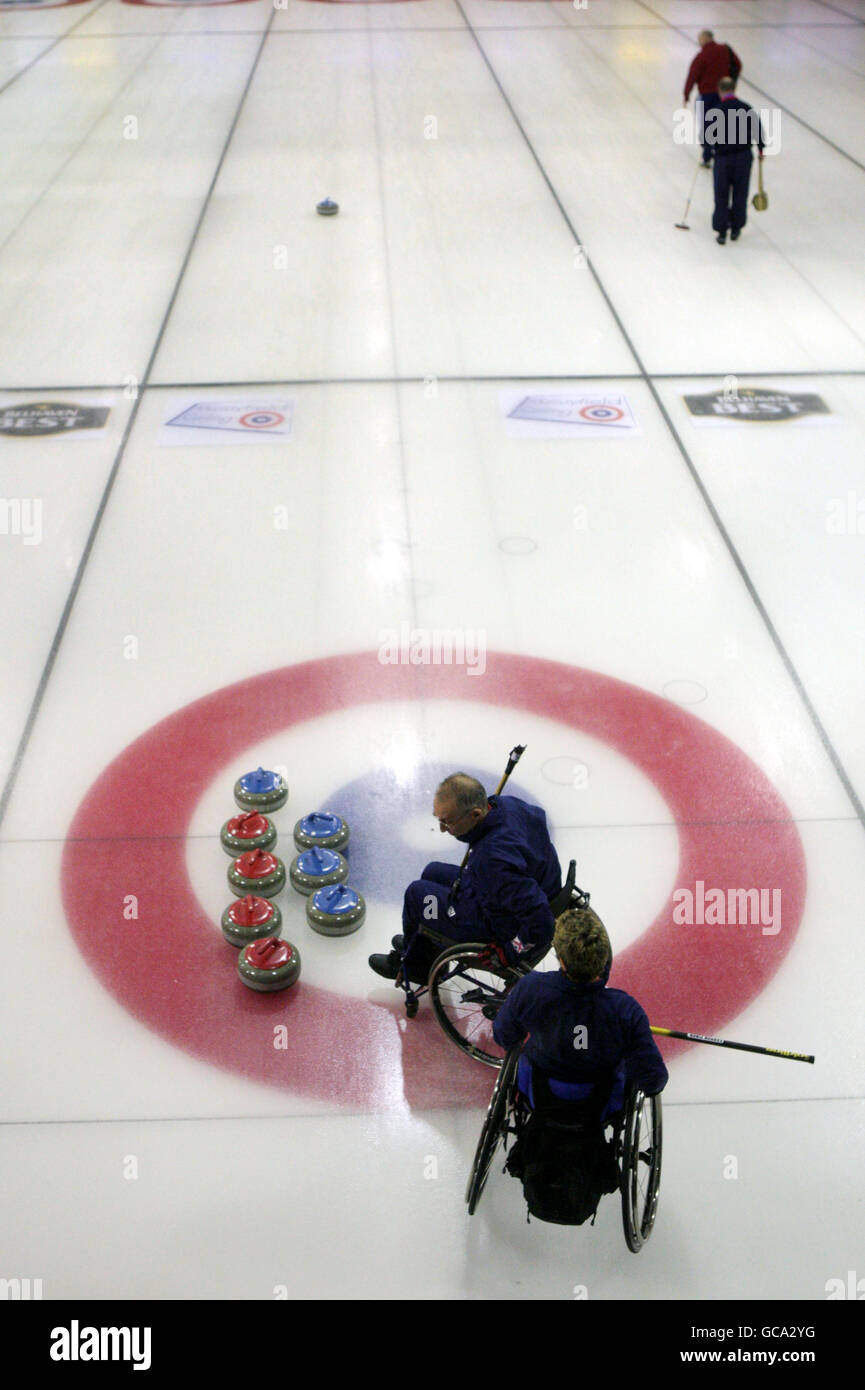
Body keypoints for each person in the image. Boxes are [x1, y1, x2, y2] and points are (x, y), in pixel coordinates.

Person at [368, 772, 561, 983]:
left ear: (476, 814)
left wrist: (510, 950)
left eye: (448, 823)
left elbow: (540, 921)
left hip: (498, 920)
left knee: (418, 896)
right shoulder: (507, 805)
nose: (443, 829)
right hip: (514, 889)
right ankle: (421, 943)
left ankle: (416, 967)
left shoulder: (492, 861)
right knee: (432, 872)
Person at [492, 904, 668, 1116]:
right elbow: (654, 1079)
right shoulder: (626, 1011)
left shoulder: (531, 989)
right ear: (603, 961)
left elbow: (503, 1035)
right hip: (599, 1104)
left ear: (563, 961)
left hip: (538, 1093)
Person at [709, 77, 765, 244]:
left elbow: (707, 136)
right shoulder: (746, 108)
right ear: (734, 89)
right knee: (741, 193)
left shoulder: (717, 110)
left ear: (720, 90)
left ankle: (721, 230)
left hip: (723, 159)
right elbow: (758, 130)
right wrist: (761, 149)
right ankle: (736, 228)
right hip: (743, 157)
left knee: (721, 194)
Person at [684, 29, 742, 167]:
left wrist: (686, 94)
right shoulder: (725, 50)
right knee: (724, 123)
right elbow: (738, 65)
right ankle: (723, 153)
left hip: (707, 96)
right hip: (725, 94)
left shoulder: (702, 56)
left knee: (708, 125)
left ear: (705, 39)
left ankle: (707, 157)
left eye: (700, 39)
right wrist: (731, 81)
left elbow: (692, 75)